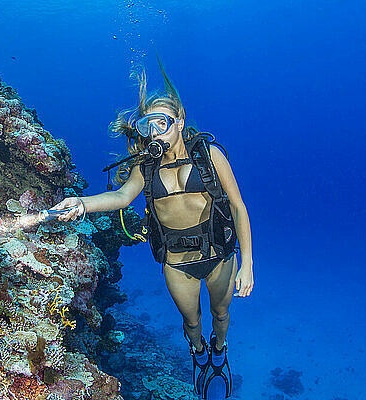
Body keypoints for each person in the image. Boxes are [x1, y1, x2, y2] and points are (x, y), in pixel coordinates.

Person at [52, 66, 253, 399]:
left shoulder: (209, 155)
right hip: (176, 264)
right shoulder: (144, 166)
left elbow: (238, 207)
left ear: (180, 122)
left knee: (221, 313)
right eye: (148, 125)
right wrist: (82, 203)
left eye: (163, 122)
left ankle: (219, 352)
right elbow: (120, 197)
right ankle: (199, 353)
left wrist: (247, 264)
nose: (156, 132)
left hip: (219, 257)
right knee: (192, 323)